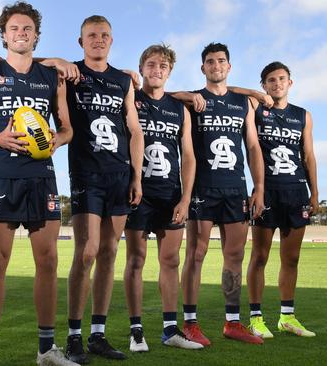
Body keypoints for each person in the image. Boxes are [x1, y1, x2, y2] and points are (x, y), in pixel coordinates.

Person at [0, 2, 76, 365]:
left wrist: (57, 140)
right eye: (14, 28)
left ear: (36, 35)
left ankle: (46, 350)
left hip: (42, 179)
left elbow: (67, 127)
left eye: (27, 28)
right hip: (4, 177)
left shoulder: (51, 77)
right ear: (4, 35)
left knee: (49, 262)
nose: (21, 33)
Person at [60, 15, 142, 364]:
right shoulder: (70, 74)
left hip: (119, 176)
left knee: (109, 252)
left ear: (112, 40)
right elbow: (32, 62)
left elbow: (134, 130)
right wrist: (59, 62)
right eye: (91, 36)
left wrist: (136, 176)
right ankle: (74, 335)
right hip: (86, 175)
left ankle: (98, 334)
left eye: (104, 35)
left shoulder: (124, 80)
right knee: (87, 250)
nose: (98, 40)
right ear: (81, 42)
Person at [179, 42, 265, 345]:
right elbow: (164, 95)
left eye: (221, 61)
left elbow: (253, 147)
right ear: (203, 68)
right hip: (203, 187)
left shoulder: (243, 104)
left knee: (235, 256)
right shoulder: (192, 101)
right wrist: (188, 95)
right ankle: (190, 322)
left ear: (229, 67)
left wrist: (260, 187)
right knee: (196, 254)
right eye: (210, 61)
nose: (216, 65)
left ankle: (232, 323)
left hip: (235, 189)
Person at [122, 44, 203, 352]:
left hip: (170, 193)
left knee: (170, 260)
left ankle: (171, 330)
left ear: (170, 72)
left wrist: (185, 198)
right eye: (151, 64)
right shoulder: (130, 99)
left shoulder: (179, 108)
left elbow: (189, 157)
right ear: (142, 68)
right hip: (138, 193)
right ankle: (136, 331)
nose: (157, 70)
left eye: (163, 66)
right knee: (136, 260)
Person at [241, 62, 318, 338]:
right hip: (267, 192)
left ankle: (287, 317)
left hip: (296, 192)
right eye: (271, 80)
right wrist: (255, 94)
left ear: (290, 82)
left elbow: (308, 156)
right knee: (259, 256)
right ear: (264, 85)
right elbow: (228, 91)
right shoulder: (255, 108)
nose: (277, 84)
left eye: (282, 79)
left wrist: (315, 192)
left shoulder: (303, 115)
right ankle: (256, 317)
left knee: (292, 258)